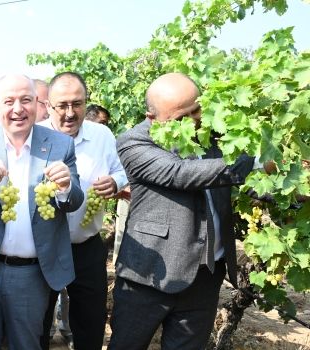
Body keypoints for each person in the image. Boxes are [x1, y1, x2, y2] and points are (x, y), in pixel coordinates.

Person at [108, 72, 255, 350]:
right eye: (181, 117)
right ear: (153, 118)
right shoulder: (134, 142)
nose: (195, 120)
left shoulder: (216, 129)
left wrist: (290, 189)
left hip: (206, 274)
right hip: (149, 275)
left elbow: (245, 182)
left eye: (197, 108)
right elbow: (180, 173)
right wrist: (256, 163)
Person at [0, 74, 84, 350]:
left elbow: (74, 201)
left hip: (32, 275)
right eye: (9, 101)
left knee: (26, 345)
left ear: (38, 104)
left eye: (26, 100)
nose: (18, 109)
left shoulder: (60, 144)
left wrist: (65, 186)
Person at [39, 72, 128, 349]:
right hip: (43, 249)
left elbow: (121, 170)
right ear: (48, 105)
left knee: (90, 322)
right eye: (61, 105)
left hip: (86, 246)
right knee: (38, 324)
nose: (69, 113)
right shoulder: (35, 135)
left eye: (77, 104)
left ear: (86, 102)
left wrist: (115, 181)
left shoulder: (101, 135)